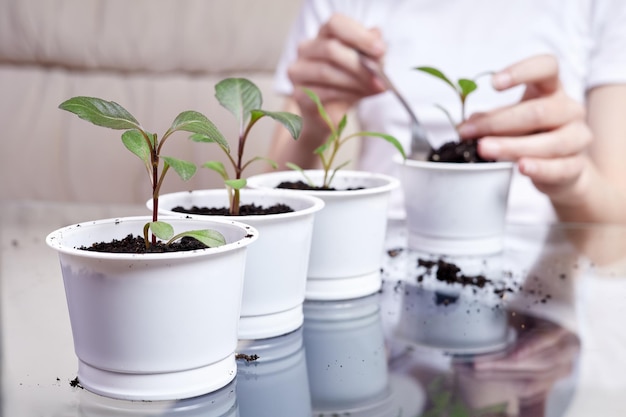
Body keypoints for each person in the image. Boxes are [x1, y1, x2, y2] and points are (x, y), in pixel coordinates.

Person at [268, 0, 626, 224]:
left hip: (541, 268)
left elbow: (616, 236)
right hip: (380, 241)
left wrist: (575, 182)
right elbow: (267, 191)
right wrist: (313, 125)